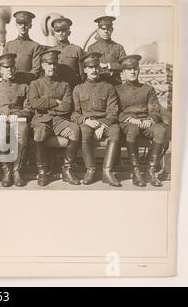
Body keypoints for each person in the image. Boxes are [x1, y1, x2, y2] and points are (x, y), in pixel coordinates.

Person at [29, 49, 81, 186]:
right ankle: (42, 171)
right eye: (48, 64)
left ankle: (67, 170)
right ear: (42, 65)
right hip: (41, 120)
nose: (52, 67)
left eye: (54, 64)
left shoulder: (64, 85)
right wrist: (55, 102)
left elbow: (67, 107)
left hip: (59, 120)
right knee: (39, 133)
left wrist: (47, 106)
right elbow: (34, 103)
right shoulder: (35, 84)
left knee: (75, 130)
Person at [116, 54, 168, 187]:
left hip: (146, 123)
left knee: (161, 130)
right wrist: (129, 119)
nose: (132, 72)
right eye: (129, 69)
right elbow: (115, 111)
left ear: (138, 70)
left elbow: (155, 110)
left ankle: (151, 171)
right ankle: (136, 171)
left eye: (135, 68)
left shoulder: (147, 89)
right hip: (128, 124)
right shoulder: (117, 90)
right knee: (133, 129)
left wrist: (150, 119)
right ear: (123, 72)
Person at [72, 52, 121, 187]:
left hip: (105, 122)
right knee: (83, 130)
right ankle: (91, 170)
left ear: (99, 68)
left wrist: (103, 124)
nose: (94, 70)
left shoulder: (109, 88)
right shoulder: (78, 89)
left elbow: (113, 112)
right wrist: (85, 120)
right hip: (88, 122)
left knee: (115, 131)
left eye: (96, 67)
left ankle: (107, 171)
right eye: (90, 67)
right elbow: (74, 114)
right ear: (85, 69)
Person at [0, 53, 32, 187]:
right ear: (0, 70)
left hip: (18, 119)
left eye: (11, 67)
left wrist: (18, 116)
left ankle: (17, 171)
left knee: (22, 132)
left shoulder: (24, 87)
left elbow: (29, 108)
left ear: (15, 68)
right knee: (0, 135)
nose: (9, 70)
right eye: (6, 68)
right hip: (0, 120)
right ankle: (6, 171)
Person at [3, 11, 46, 82]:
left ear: (30, 25)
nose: (23, 26)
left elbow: (36, 69)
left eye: (26, 23)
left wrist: (24, 79)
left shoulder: (35, 46)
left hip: (27, 84)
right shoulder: (8, 45)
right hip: (10, 84)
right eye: (20, 24)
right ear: (16, 25)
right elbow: (3, 66)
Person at [87, 16, 126, 86]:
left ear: (112, 30)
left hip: (115, 84)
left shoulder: (119, 47)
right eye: (103, 29)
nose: (106, 31)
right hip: (98, 84)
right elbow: (89, 66)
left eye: (108, 29)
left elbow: (124, 65)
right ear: (98, 30)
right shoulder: (91, 48)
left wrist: (108, 65)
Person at [51, 17, 85, 89]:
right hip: (55, 89)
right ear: (54, 33)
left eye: (63, 30)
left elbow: (82, 74)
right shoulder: (51, 51)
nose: (60, 33)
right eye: (58, 31)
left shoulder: (77, 50)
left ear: (69, 32)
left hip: (72, 88)